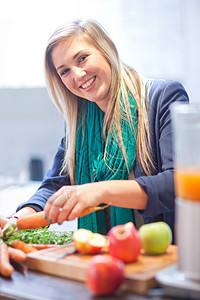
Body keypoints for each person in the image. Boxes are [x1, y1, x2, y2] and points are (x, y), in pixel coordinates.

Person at [0, 19, 189, 242]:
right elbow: (55, 184)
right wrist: (17, 220)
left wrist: (99, 191)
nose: (78, 75)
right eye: (64, 71)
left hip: (159, 255)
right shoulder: (79, 122)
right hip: (103, 255)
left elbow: (177, 182)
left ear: (105, 49)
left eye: (82, 58)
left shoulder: (163, 97)